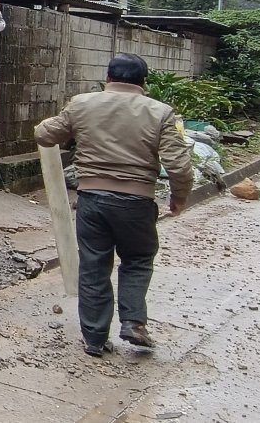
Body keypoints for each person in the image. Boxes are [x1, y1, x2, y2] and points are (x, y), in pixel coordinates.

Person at [34, 53, 193, 357]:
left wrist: (71, 124)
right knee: (138, 259)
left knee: (94, 266)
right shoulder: (160, 112)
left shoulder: (82, 104)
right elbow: (179, 165)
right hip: (137, 202)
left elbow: (44, 135)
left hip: (92, 201)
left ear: (107, 78)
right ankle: (133, 322)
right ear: (144, 83)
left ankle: (94, 338)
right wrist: (179, 197)